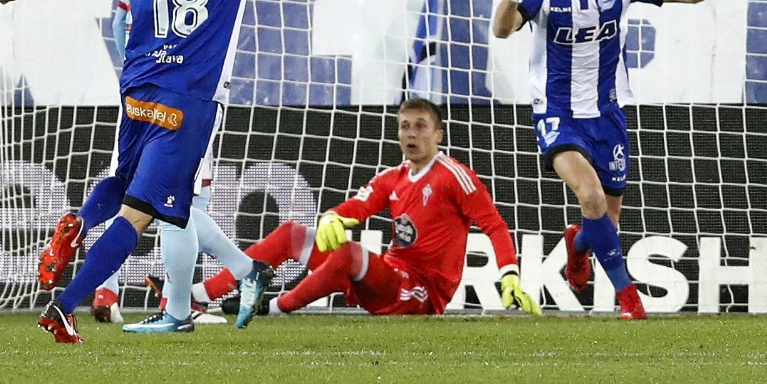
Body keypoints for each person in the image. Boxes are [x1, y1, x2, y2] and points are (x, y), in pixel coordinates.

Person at [0, 0, 340, 343]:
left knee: (123, 186)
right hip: (187, 104)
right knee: (140, 216)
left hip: (136, 91)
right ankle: (66, 306)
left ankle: (78, 224)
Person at [490, 0, 720, 319]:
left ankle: (577, 246)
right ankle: (628, 296)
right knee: (591, 196)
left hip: (608, 114)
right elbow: (502, 29)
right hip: (558, 113)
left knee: (606, 224)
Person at [182, 98, 540, 319]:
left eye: (420, 126)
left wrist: (509, 273)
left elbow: (493, 225)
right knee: (292, 233)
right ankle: (196, 296)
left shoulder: (454, 177)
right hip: (387, 279)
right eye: (404, 127)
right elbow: (358, 205)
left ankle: (273, 308)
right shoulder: (394, 177)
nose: (411, 134)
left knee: (350, 255)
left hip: (420, 293)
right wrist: (333, 216)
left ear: (439, 134)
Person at [89, 0, 256, 332]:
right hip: (148, 101)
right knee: (158, 203)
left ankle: (190, 301)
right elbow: (122, 24)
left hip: (192, 100)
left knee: (171, 206)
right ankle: (223, 281)